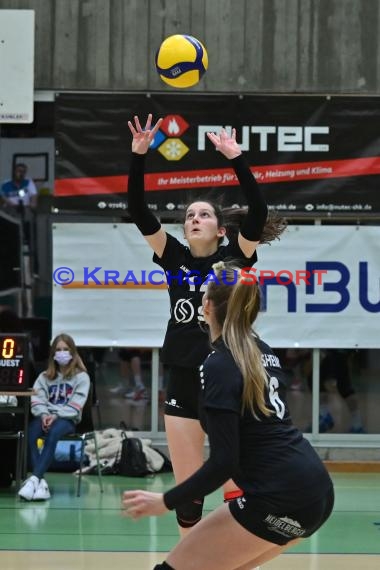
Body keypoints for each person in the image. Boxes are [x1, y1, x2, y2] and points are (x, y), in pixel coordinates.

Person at [127, 114, 286, 535]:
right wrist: (139, 156)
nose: (194, 218)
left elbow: (259, 212)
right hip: (182, 375)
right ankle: (191, 560)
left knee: (236, 485)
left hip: (227, 375)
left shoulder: (235, 256)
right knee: (188, 491)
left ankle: (233, 558)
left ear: (219, 229)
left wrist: (237, 159)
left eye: (203, 214)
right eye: (189, 215)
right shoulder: (174, 257)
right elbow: (138, 211)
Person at [122, 261, 334, 570]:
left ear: (205, 306)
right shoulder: (263, 350)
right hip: (315, 491)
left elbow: (224, 462)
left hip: (279, 496)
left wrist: (164, 502)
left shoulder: (219, 363)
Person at [18, 333, 90, 501]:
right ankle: (41, 483)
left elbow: (76, 405)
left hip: (67, 420)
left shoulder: (82, 377)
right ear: (53, 354)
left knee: (53, 434)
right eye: (58, 350)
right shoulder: (44, 377)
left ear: (72, 352)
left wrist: (56, 416)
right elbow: (36, 399)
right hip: (45, 416)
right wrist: (44, 414)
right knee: (31, 433)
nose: (62, 352)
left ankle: (33, 479)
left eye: (65, 349)